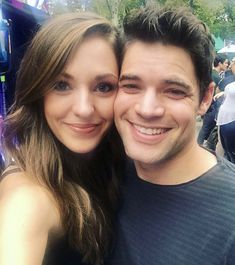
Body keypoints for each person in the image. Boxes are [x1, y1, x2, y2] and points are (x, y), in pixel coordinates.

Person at [109, 5, 235, 265]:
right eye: (131, 86)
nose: (147, 109)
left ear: (205, 98)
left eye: (174, 91)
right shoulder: (100, 172)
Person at [0, 12, 125, 265]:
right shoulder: (27, 198)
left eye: (103, 87)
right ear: (38, 92)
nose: (84, 109)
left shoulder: (115, 164)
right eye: (61, 85)